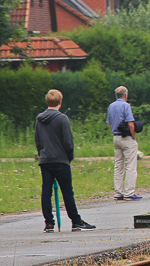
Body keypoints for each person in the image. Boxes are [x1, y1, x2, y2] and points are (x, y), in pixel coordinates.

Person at [36, 89, 96, 233]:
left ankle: (49, 223)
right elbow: (68, 142)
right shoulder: (62, 119)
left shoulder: (39, 119)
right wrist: (69, 157)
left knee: (46, 191)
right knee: (67, 192)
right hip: (61, 159)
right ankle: (76, 221)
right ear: (60, 102)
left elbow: (38, 141)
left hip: (45, 159)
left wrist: (41, 154)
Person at [106, 86, 141, 201]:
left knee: (118, 165)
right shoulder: (126, 106)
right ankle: (129, 192)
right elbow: (130, 123)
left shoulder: (111, 106)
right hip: (126, 138)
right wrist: (133, 137)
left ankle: (118, 192)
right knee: (131, 165)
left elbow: (110, 124)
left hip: (116, 137)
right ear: (125, 95)